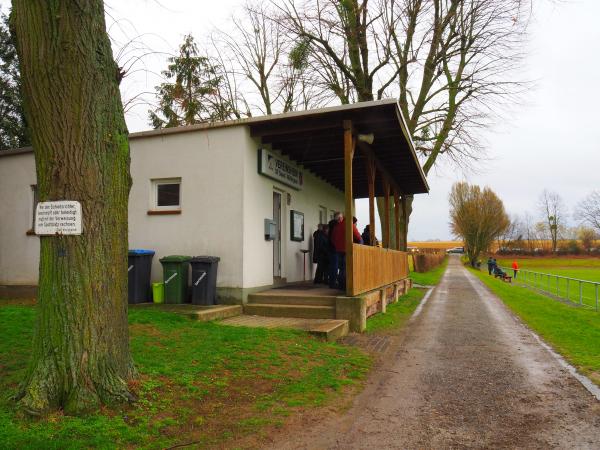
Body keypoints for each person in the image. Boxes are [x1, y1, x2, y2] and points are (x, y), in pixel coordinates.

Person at [328, 212, 362, 289]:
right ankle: (345, 286)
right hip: (346, 249)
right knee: (345, 268)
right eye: (337, 219)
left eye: (339, 218)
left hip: (339, 250)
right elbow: (357, 236)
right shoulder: (348, 224)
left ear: (342, 217)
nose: (339, 220)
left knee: (342, 268)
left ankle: (342, 285)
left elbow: (333, 239)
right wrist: (359, 244)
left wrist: (337, 245)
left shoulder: (336, 226)